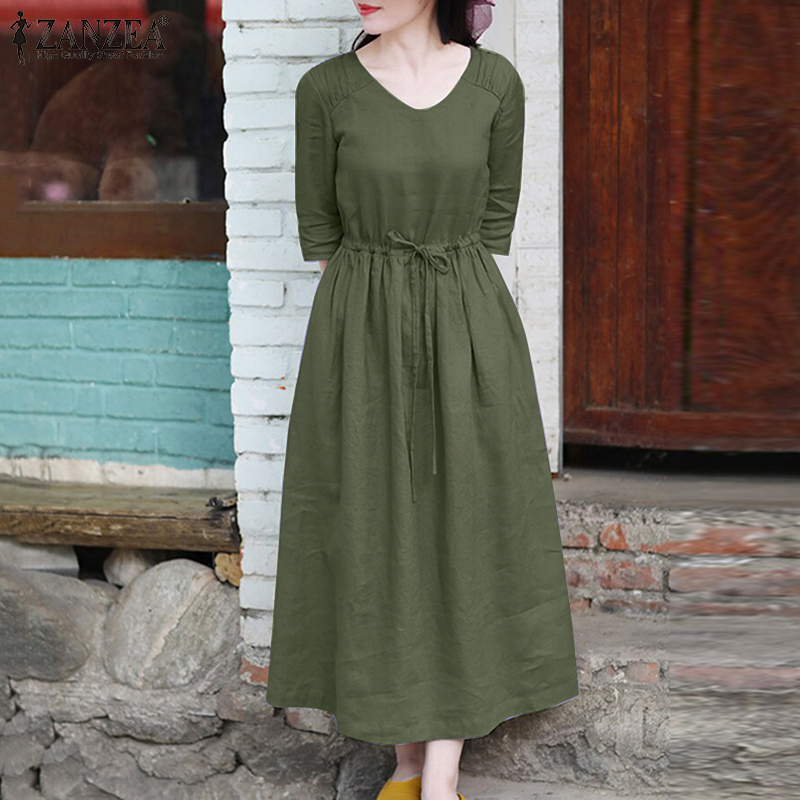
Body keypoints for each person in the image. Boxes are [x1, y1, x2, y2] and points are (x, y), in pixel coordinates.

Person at [264, 2, 580, 799]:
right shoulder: (325, 91)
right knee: (374, 531)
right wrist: (367, 351)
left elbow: (492, 224)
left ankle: (438, 776)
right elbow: (325, 237)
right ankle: (406, 765)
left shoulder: (497, 86)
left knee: (464, 529)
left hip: (468, 329)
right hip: (359, 336)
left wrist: (443, 329)